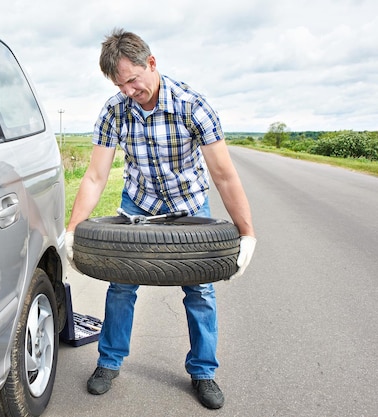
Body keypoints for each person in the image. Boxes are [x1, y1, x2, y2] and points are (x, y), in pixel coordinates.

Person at [65, 28, 257, 410]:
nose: (128, 92)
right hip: (138, 205)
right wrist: (72, 230)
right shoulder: (114, 110)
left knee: (200, 291)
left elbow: (223, 175)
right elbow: (95, 176)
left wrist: (247, 233)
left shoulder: (192, 105)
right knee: (121, 286)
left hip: (189, 206)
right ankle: (109, 362)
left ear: (151, 64)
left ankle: (203, 371)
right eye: (120, 85)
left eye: (133, 81)